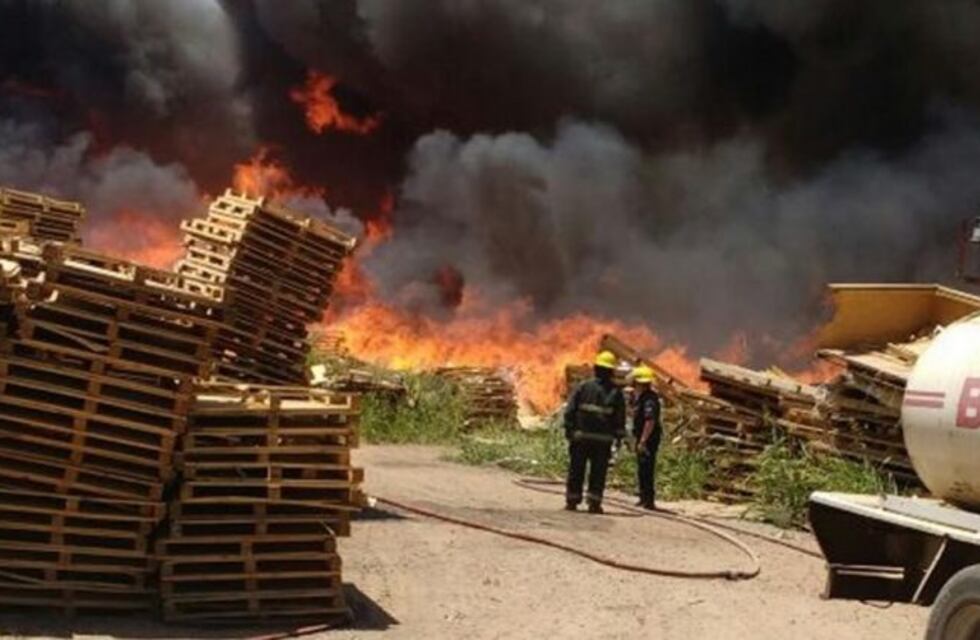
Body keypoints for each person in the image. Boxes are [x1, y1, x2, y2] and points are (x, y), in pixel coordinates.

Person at [562, 350, 627, 514]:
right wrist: (619, 437)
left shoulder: (584, 387)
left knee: (576, 469)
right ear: (611, 371)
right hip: (603, 441)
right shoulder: (616, 392)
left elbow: (570, 411)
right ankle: (594, 503)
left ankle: (572, 501)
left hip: (581, 437)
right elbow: (619, 418)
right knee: (598, 472)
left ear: (596, 368)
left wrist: (570, 430)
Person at [631, 364, 662, 510]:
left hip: (648, 439)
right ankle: (643, 497)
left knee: (647, 468)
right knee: (642, 468)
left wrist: (643, 441)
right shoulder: (642, 397)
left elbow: (650, 421)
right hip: (643, 437)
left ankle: (648, 500)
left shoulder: (649, 399)